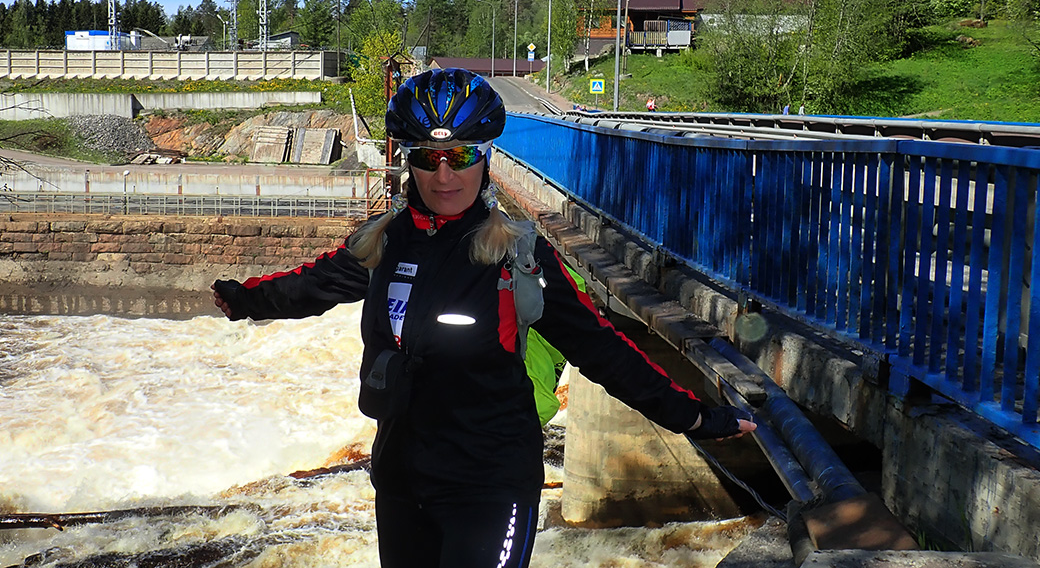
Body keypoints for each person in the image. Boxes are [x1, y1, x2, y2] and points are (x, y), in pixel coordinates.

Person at [211, 68, 755, 568]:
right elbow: (312, 285)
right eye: (428, 158)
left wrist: (694, 418)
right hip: (402, 485)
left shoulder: (517, 256)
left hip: (490, 487)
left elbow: (600, 346)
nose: (445, 175)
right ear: (410, 163)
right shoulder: (384, 243)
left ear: (485, 158)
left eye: (461, 156)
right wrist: (243, 300)